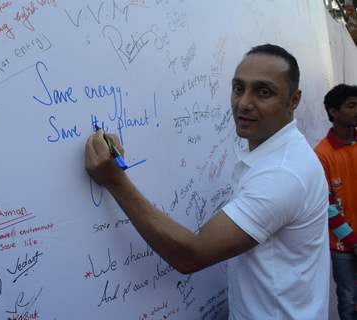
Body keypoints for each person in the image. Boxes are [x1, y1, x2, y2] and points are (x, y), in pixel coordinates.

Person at [85, 44, 330, 319]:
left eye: (264, 92)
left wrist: (116, 181)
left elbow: (191, 255)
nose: (244, 103)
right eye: (238, 88)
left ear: (293, 100)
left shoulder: (283, 174)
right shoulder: (278, 153)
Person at [315, 84, 357, 320]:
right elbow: (327, 207)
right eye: (351, 106)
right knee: (349, 301)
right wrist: (353, 242)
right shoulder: (321, 155)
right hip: (343, 247)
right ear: (334, 112)